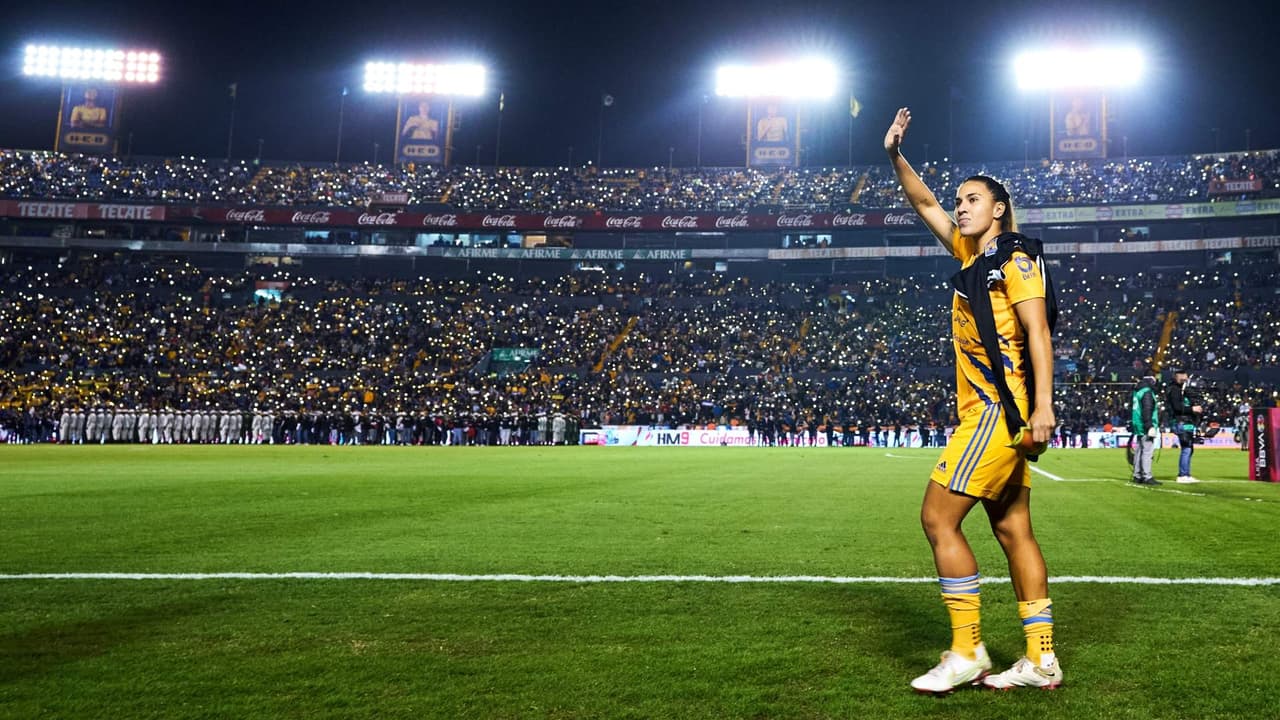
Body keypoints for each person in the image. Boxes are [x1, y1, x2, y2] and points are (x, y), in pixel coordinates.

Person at [885, 107, 1063, 693]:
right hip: (994, 411)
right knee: (1014, 532)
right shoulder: (971, 257)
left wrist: (1043, 407)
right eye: (959, 200)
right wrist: (895, 156)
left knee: (937, 518)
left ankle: (967, 651)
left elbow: (1038, 332)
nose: (959, 206)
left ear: (999, 209)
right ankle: (1040, 660)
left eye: (972, 200)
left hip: (997, 411)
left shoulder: (1015, 256)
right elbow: (924, 205)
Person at [1165, 368, 1202, 483]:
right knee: (1186, 448)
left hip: (1184, 422)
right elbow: (1176, 407)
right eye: (1184, 377)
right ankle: (1182, 475)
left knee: (1189, 448)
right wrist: (1192, 409)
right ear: (1178, 376)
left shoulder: (1177, 389)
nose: (1186, 379)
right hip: (1181, 422)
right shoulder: (1175, 390)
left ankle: (1186, 473)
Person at [1130, 372, 1161, 485]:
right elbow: (1147, 410)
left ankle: (1137, 475)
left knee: (1139, 450)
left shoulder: (1137, 391)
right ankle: (1147, 476)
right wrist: (1150, 426)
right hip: (1145, 425)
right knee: (1147, 451)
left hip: (1138, 424)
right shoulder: (1147, 392)